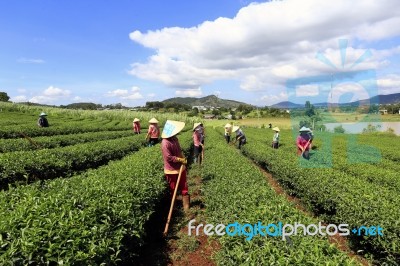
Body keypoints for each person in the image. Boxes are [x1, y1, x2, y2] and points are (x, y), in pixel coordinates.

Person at [161, 120, 190, 212]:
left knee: (184, 186)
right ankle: (174, 207)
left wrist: (182, 158)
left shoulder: (175, 139)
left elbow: (179, 151)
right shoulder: (165, 143)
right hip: (171, 170)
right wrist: (179, 159)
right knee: (173, 189)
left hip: (181, 168)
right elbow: (169, 157)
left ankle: (186, 206)